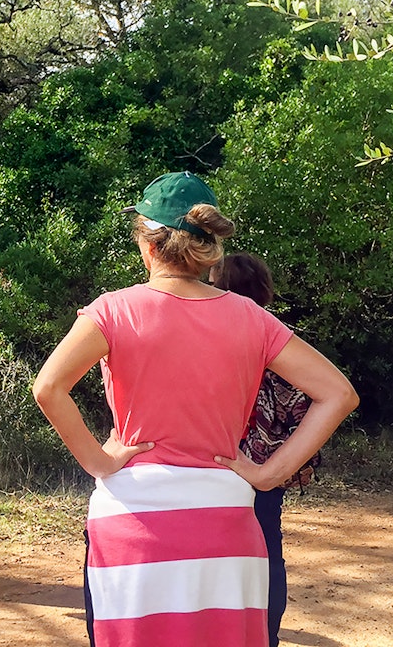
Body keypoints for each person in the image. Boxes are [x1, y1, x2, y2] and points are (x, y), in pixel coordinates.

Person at [32, 172, 358, 647]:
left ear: (147, 244)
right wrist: (269, 474)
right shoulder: (253, 318)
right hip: (226, 521)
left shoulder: (112, 311)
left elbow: (48, 387)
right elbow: (339, 394)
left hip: (132, 521)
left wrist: (99, 462)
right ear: (209, 251)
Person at [210, 252, 319, 647]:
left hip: (212, 468)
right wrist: (280, 467)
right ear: (264, 289)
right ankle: (265, 638)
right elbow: (308, 406)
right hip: (262, 473)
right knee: (267, 556)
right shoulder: (278, 336)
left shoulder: (204, 336)